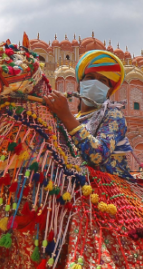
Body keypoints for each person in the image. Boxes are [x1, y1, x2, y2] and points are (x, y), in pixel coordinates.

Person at [42, 49, 137, 180]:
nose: (95, 83)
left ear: (109, 92)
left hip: (108, 188)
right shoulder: (75, 119)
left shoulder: (113, 114)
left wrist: (66, 116)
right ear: (79, 86)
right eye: (90, 77)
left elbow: (98, 155)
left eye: (102, 80)